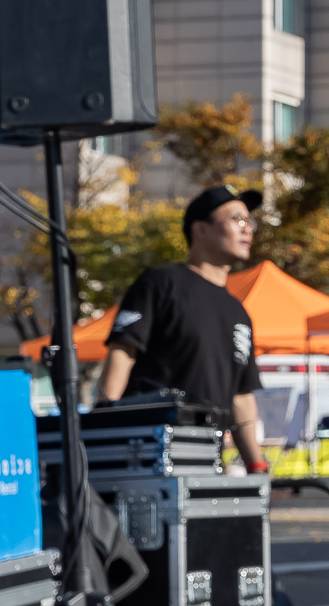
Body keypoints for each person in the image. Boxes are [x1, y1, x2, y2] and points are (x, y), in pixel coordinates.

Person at [101, 184, 271, 473]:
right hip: (149, 457)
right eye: (236, 219)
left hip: (208, 460)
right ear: (200, 229)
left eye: (249, 221)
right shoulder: (160, 283)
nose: (247, 230)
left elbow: (240, 394)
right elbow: (123, 350)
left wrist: (256, 463)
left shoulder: (239, 312)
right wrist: (105, 429)